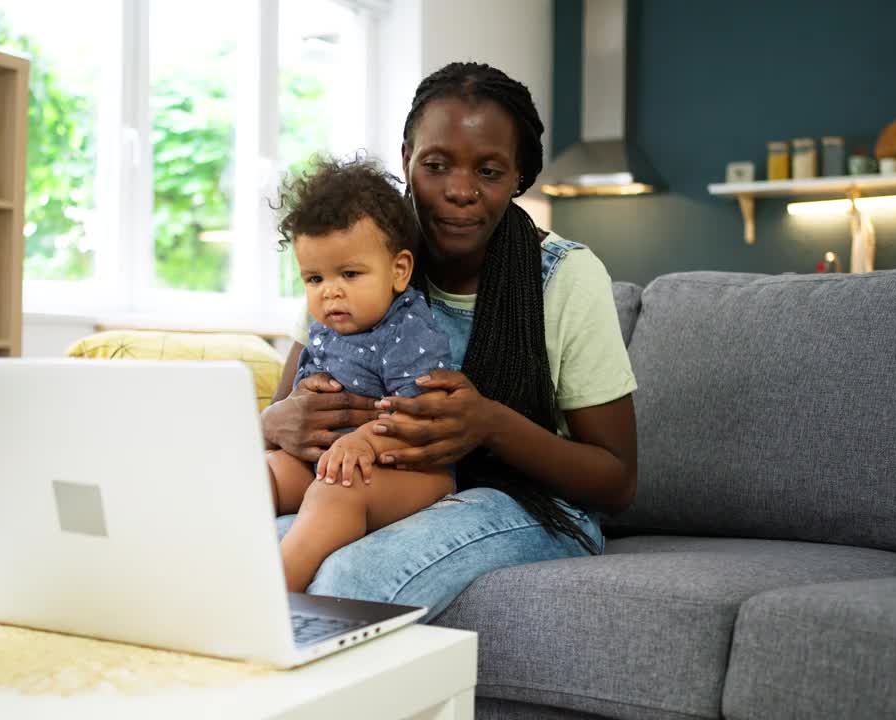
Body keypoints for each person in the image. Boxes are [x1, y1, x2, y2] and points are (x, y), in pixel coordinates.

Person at [261, 61, 639, 621]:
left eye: (489, 171)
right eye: (436, 165)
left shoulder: (563, 276)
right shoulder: (356, 260)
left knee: (348, 578)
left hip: (531, 502)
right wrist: (271, 423)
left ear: (519, 178)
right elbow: (283, 416)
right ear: (407, 159)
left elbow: (617, 480)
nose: (460, 191)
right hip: (370, 479)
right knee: (252, 543)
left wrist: (488, 424)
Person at [268, 155, 455, 593]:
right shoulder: (324, 328)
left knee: (337, 490)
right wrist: (305, 396)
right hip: (329, 463)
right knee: (268, 470)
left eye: (349, 274)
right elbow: (302, 405)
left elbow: (425, 419)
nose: (330, 291)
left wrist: (364, 439)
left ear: (399, 271)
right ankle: (205, 555)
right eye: (314, 279)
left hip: (414, 475)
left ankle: (272, 594)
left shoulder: (409, 331)